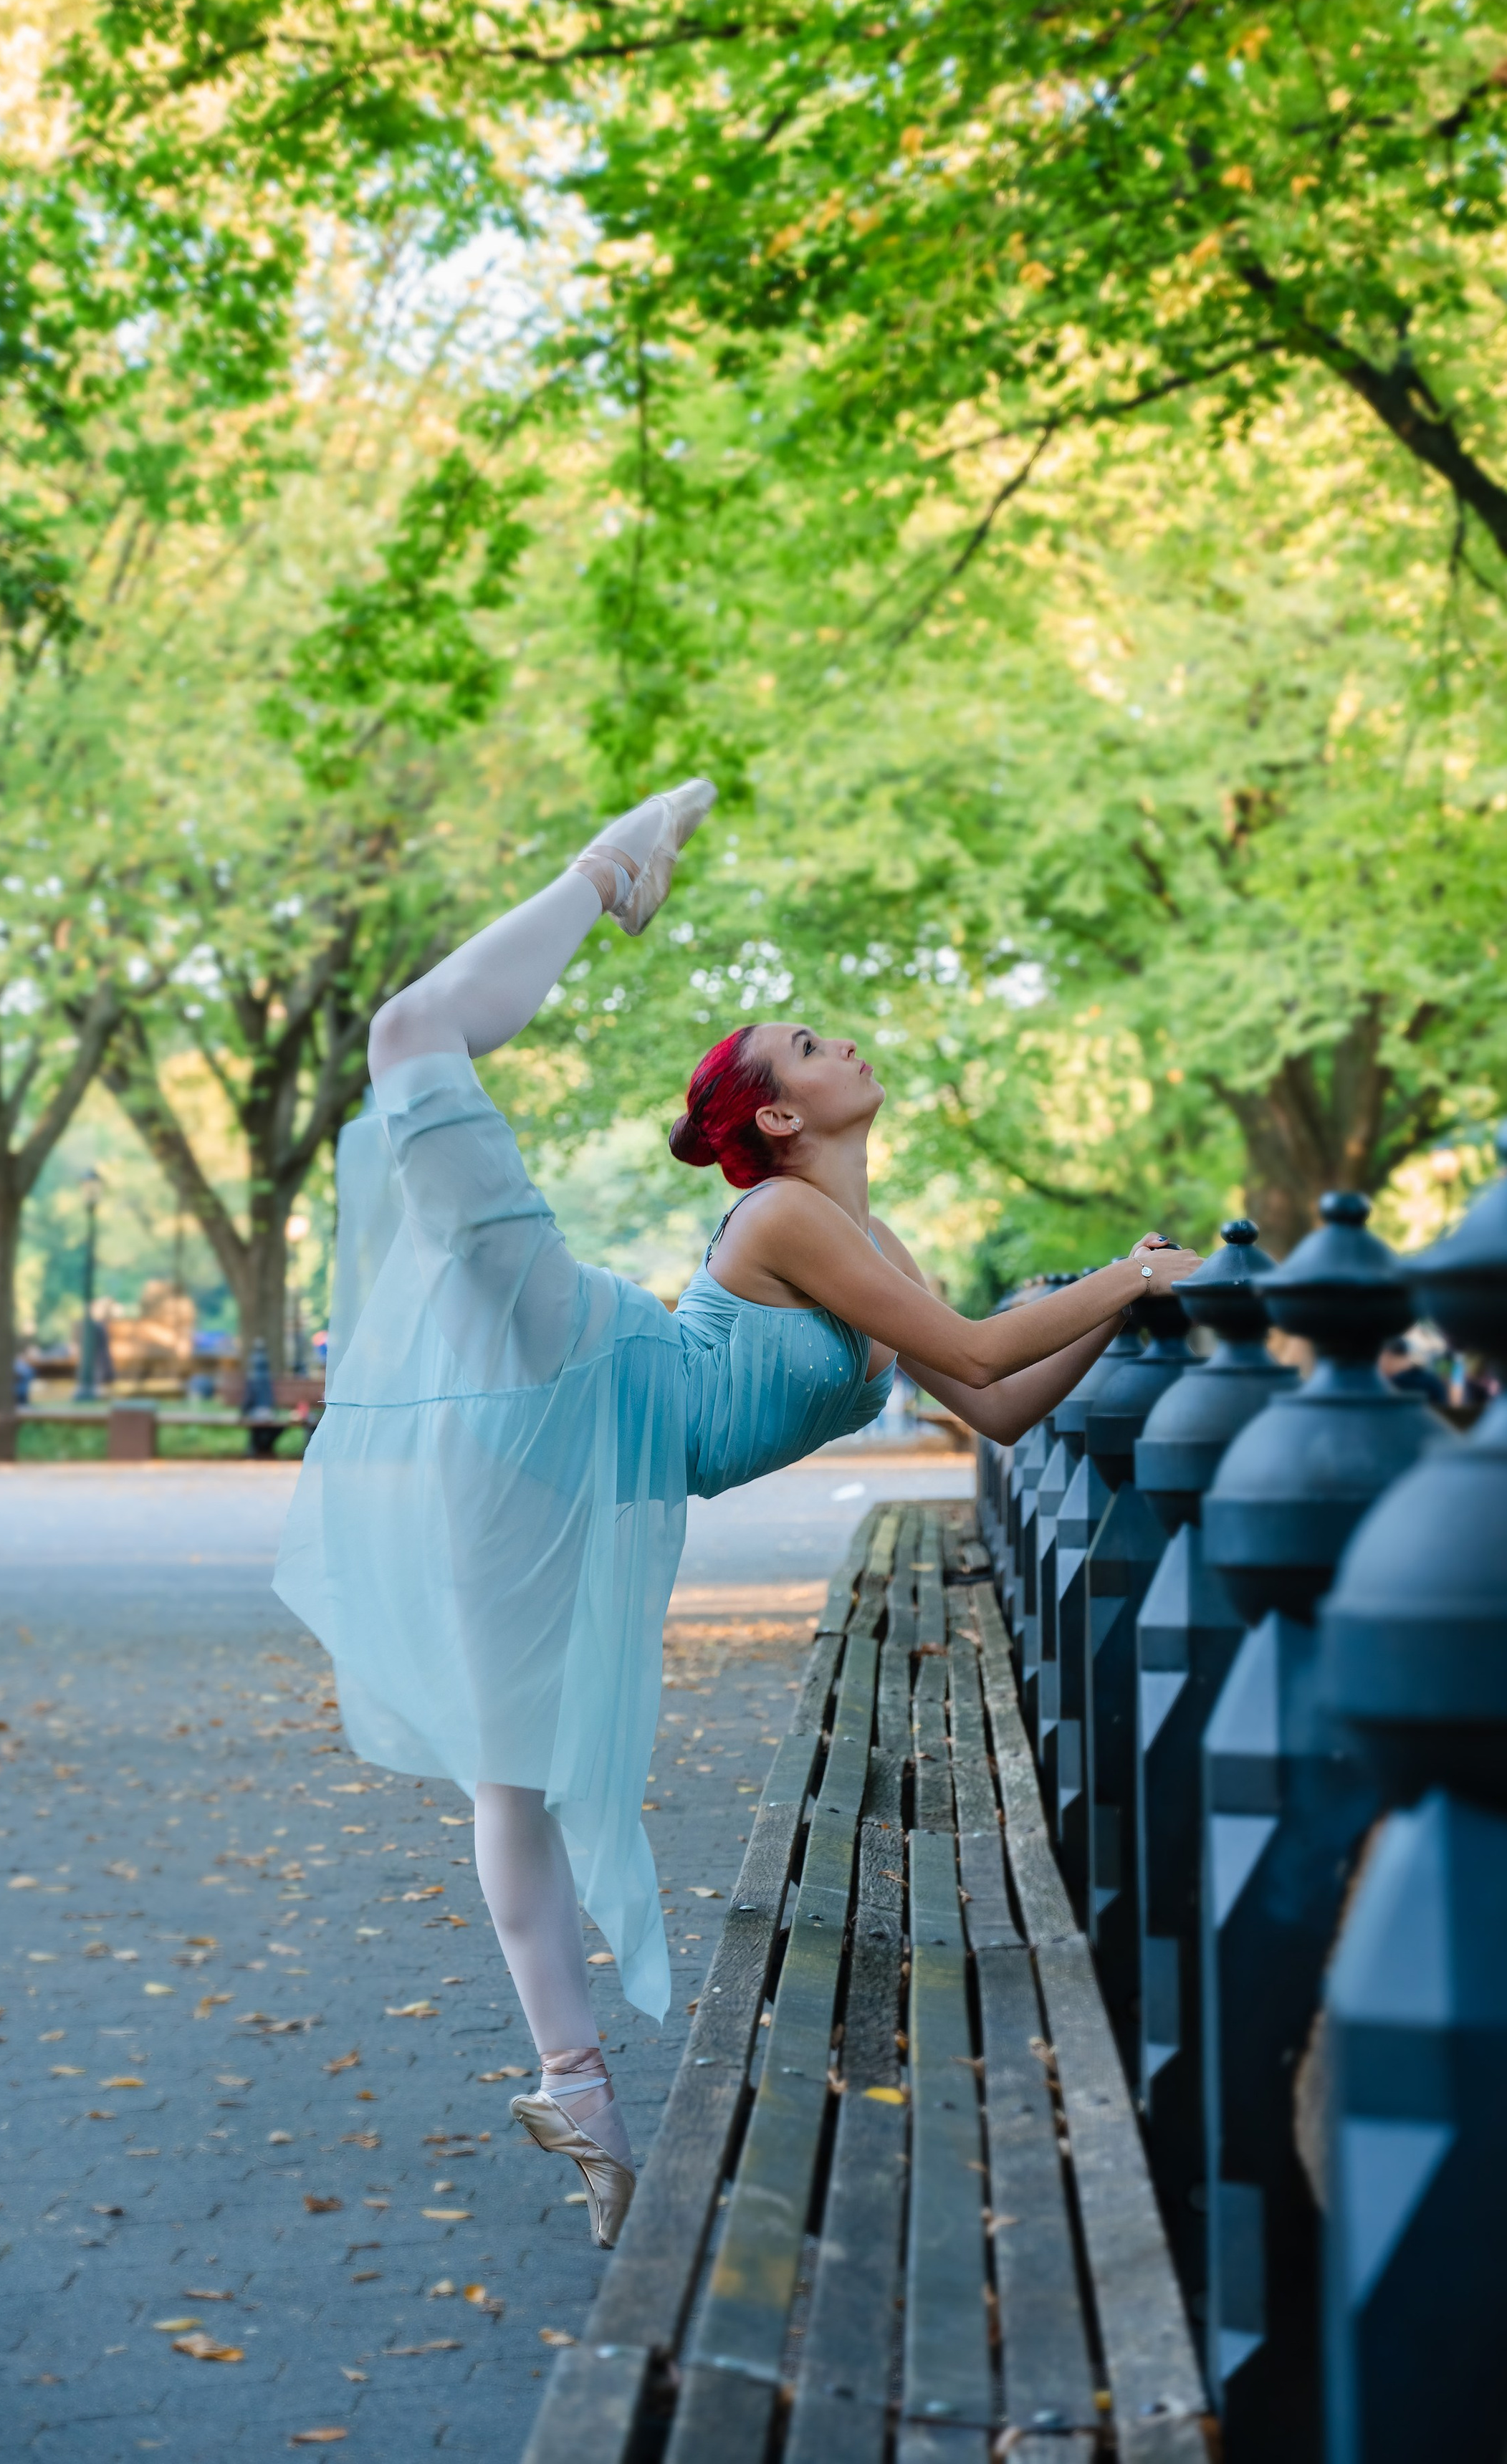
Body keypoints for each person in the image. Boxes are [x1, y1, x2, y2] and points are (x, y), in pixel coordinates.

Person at [274, 782, 1202, 2248]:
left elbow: (1000, 1395)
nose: (843, 1043)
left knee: (514, 1776)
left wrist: (1108, 1292)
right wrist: (1130, 1286)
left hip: (571, 1459)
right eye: (811, 1044)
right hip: (579, 1373)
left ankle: (573, 2091)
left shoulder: (864, 1242)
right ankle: (603, 874)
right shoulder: (777, 1219)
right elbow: (971, 1350)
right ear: (774, 1113)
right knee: (405, 1037)